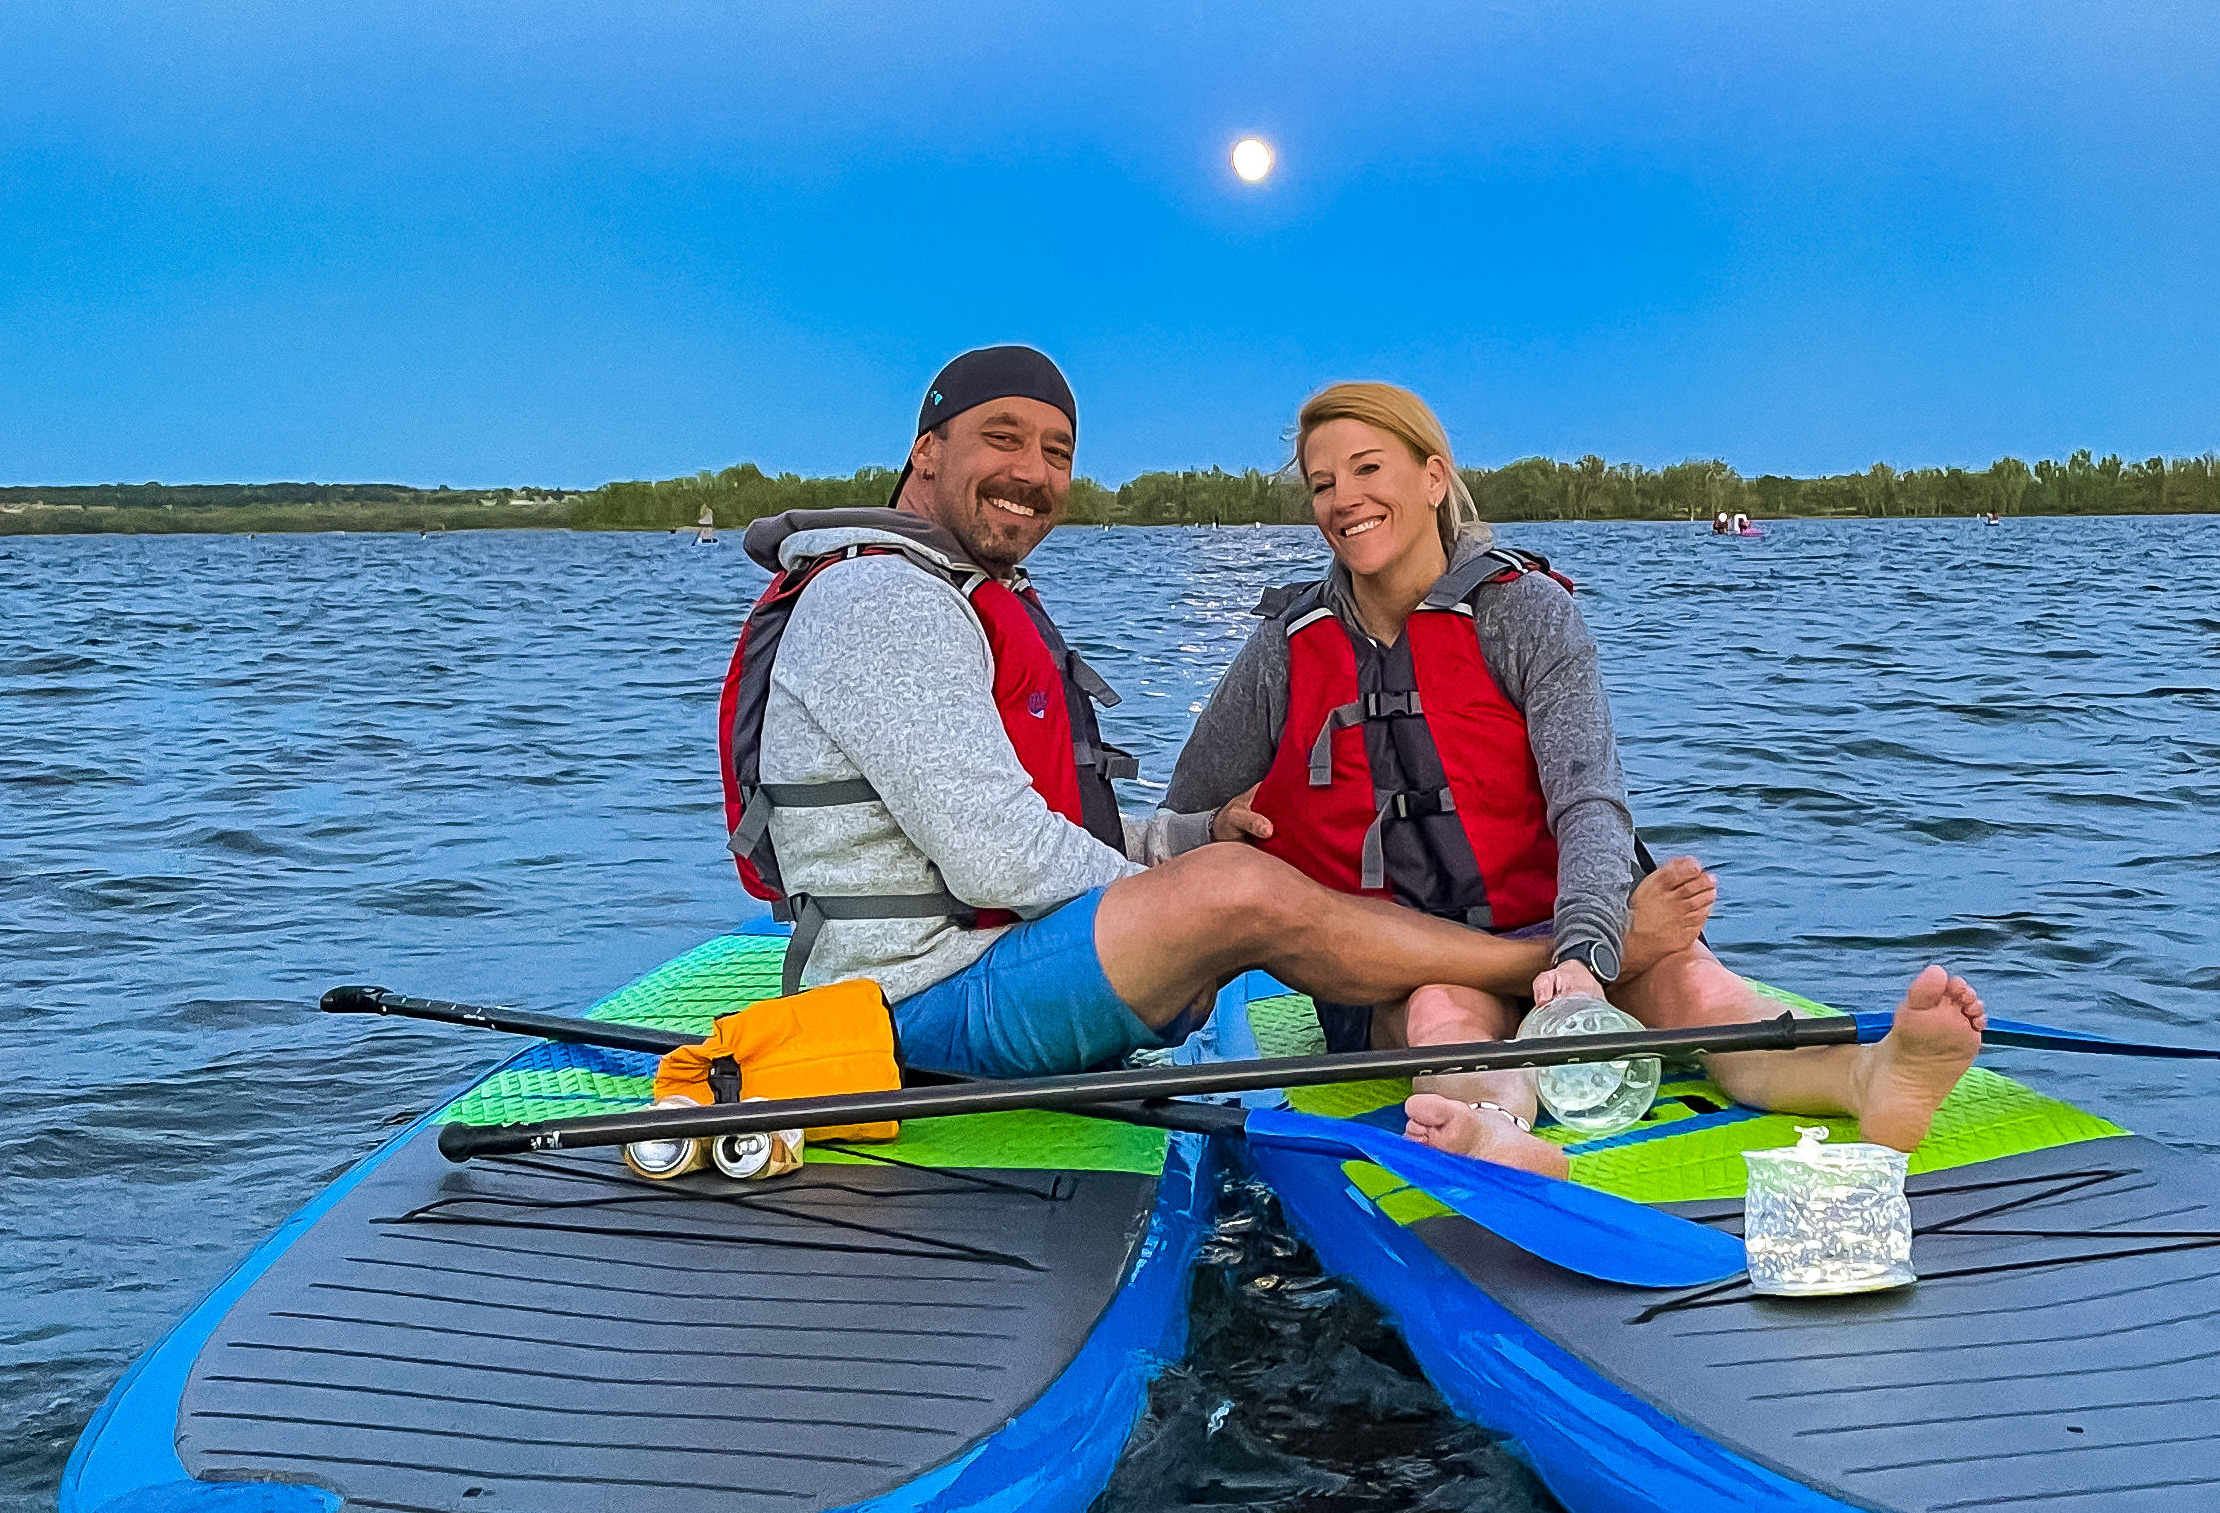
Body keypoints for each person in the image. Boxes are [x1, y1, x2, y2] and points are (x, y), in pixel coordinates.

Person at [1154, 380, 1984, 1175]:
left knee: (1697, 985)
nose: (1344, 499)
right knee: (1448, 1016)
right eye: (1322, 482)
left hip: (1570, 921)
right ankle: (1496, 1127)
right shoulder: (1282, 650)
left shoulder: (1526, 613)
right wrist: (1217, 847)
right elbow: (1181, 815)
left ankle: (1866, 1076)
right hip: (1408, 962)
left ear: (1434, 477)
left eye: (1369, 468)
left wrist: (1588, 951)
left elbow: (1590, 799)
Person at [735, 346, 1564, 1078]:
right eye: (1003, 436)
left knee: (1234, 869)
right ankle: (1528, 966)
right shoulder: (881, 600)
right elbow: (1000, 863)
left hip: (987, 963)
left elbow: (1036, 824)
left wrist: (1192, 841)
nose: (1033, 471)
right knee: (1239, 892)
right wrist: (1192, 906)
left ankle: (1472, 988)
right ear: (926, 449)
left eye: (1056, 452)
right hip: (908, 1009)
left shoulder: (956, 595)